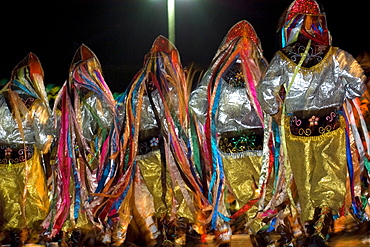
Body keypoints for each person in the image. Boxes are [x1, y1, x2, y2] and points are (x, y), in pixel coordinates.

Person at [257, 0, 368, 246]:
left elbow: (265, 90)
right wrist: (341, 94)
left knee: (305, 183)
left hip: (296, 129)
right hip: (330, 127)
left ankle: (311, 228)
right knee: (328, 177)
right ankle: (321, 224)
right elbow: (359, 83)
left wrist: (275, 111)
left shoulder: (282, 58)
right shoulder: (337, 55)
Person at [189, 20, 274, 246]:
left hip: (235, 142)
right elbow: (275, 100)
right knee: (261, 188)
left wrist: (212, 123)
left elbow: (196, 103)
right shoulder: (260, 69)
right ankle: (264, 229)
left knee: (249, 189)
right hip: (253, 142)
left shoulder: (217, 73)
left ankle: (262, 229)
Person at [42, 44, 117, 246]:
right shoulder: (80, 98)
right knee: (77, 194)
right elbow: (109, 122)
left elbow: (52, 127)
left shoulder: (75, 98)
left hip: (75, 159)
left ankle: (73, 233)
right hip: (77, 159)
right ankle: (74, 232)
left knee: (77, 195)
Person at [0, 53, 54, 246]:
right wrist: (50, 138)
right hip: (27, 162)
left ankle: (17, 239)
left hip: (2, 162)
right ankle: (32, 239)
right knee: (34, 205)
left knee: (11, 206)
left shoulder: (0, 99)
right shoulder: (35, 104)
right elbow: (42, 142)